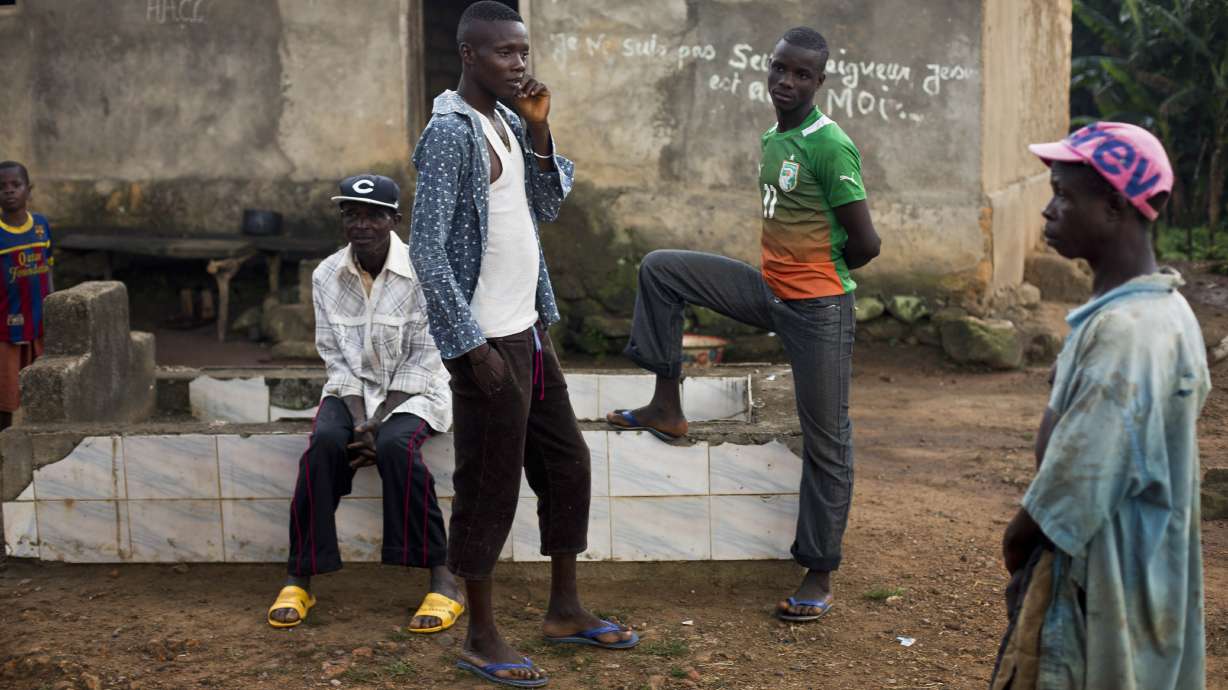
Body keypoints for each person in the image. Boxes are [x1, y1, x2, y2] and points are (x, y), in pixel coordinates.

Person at [605, 27, 881, 622]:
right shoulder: (772, 138)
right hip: (771, 293)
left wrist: (818, 277)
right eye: (779, 69)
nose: (786, 81)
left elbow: (866, 243)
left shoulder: (829, 146)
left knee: (828, 438)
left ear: (819, 82)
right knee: (661, 270)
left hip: (820, 311)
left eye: (801, 74)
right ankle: (665, 405)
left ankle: (819, 571)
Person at [409, 2, 637, 686]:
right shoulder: (450, 134)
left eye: (524, 51)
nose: (520, 64)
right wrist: (470, 347)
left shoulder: (506, 121)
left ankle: (564, 610)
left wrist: (540, 133)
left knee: (566, 464)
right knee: (488, 487)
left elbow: (543, 206)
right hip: (486, 344)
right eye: (505, 53)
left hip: (527, 333)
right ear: (469, 55)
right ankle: (480, 636)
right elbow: (424, 247)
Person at [992, 122, 1208, 690]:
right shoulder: (1163, 312)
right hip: (1133, 565)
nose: (1048, 211)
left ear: (1115, 206)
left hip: (1099, 574)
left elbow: (1078, 479)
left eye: (1064, 195)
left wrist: (1018, 543)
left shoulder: (1126, 334)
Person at [266, 174, 463, 635]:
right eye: (352, 213)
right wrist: (359, 420)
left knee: (397, 446)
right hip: (353, 391)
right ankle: (301, 575)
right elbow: (334, 358)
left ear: (395, 219)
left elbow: (425, 357)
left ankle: (443, 577)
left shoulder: (424, 271)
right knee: (324, 447)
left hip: (417, 389)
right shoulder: (326, 275)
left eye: (374, 214)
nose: (362, 224)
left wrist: (377, 422)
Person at [0, 161, 53, 431]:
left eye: (16, 185)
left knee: (43, 392)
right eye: (2, 187)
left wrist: (54, 309)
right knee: (6, 398)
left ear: (28, 190)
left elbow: (49, 269)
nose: (9, 191)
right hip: (7, 331)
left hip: (40, 326)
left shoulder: (41, 226)